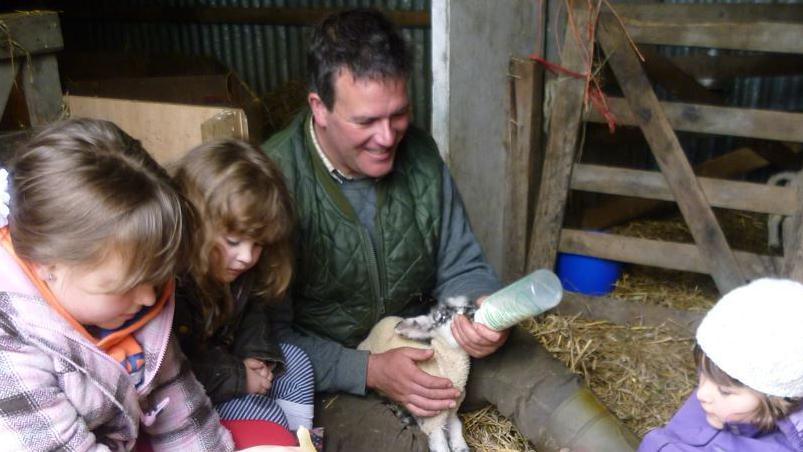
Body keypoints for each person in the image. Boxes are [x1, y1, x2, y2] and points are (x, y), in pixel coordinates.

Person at [261, 8, 638, 451]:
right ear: (318, 108)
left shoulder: (418, 154)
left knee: (553, 394)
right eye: (365, 121)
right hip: (331, 377)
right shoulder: (272, 180)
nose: (387, 137)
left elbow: (461, 263)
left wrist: (477, 310)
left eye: (398, 114)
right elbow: (268, 342)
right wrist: (368, 369)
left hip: (431, 337)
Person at [0, 118, 235, 450]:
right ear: (47, 265)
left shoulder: (131, 303)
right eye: (127, 285)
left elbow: (181, 411)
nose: (149, 297)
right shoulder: (7, 339)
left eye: (154, 276)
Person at [171, 140, 316, 433]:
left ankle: (299, 442)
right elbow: (175, 371)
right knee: (267, 415)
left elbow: (253, 312)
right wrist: (238, 375)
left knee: (297, 363)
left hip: (231, 368)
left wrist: (255, 354)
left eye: (258, 243)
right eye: (234, 242)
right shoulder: (172, 283)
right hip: (191, 395)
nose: (247, 257)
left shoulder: (237, 270)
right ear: (196, 224)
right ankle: (278, 438)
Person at [639, 278, 803, 451]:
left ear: (778, 400)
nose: (701, 393)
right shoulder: (720, 403)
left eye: (725, 392)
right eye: (702, 373)